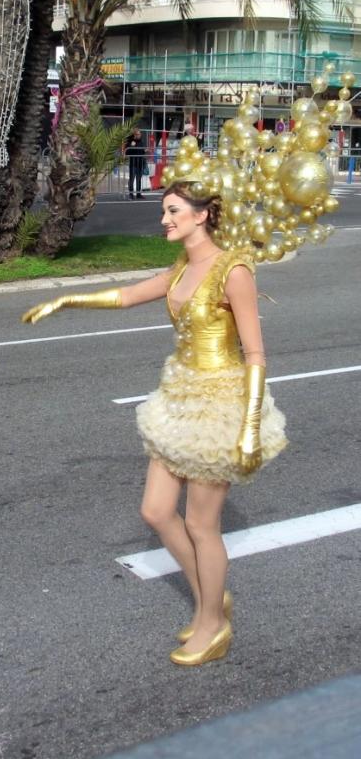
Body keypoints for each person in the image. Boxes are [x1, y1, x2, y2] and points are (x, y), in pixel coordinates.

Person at [22, 181, 287, 668]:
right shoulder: (183, 266)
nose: (164, 219)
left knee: (201, 524)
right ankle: (211, 597)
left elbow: (255, 354)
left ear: (202, 215)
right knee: (157, 511)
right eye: (165, 211)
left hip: (220, 405)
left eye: (173, 210)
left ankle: (213, 624)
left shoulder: (234, 270)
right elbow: (126, 296)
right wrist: (66, 301)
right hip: (179, 397)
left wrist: (249, 426)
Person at [126, 128, 146, 200]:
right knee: (132, 179)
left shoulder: (141, 141)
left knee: (139, 179)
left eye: (140, 134)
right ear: (134, 135)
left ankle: (138, 194)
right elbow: (127, 151)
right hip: (133, 163)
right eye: (138, 134)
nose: (139, 135)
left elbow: (141, 150)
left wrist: (145, 151)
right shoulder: (131, 141)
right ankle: (131, 194)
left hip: (140, 163)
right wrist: (132, 145)